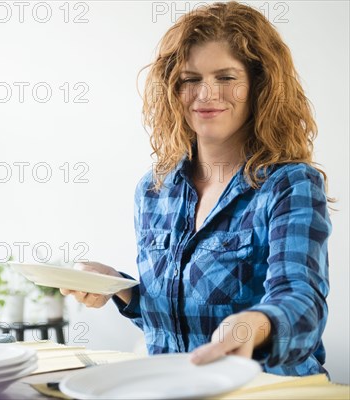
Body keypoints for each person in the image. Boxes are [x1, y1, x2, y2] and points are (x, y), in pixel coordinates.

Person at [61, 1, 332, 377]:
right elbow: (175, 323)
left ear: (259, 86)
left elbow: (302, 305)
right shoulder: (154, 191)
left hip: (267, 389)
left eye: (226, 78)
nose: (206, 94)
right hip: (178, 385)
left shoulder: (290, 184)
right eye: (191, 79)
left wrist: (254, 324)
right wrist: (117, 287)